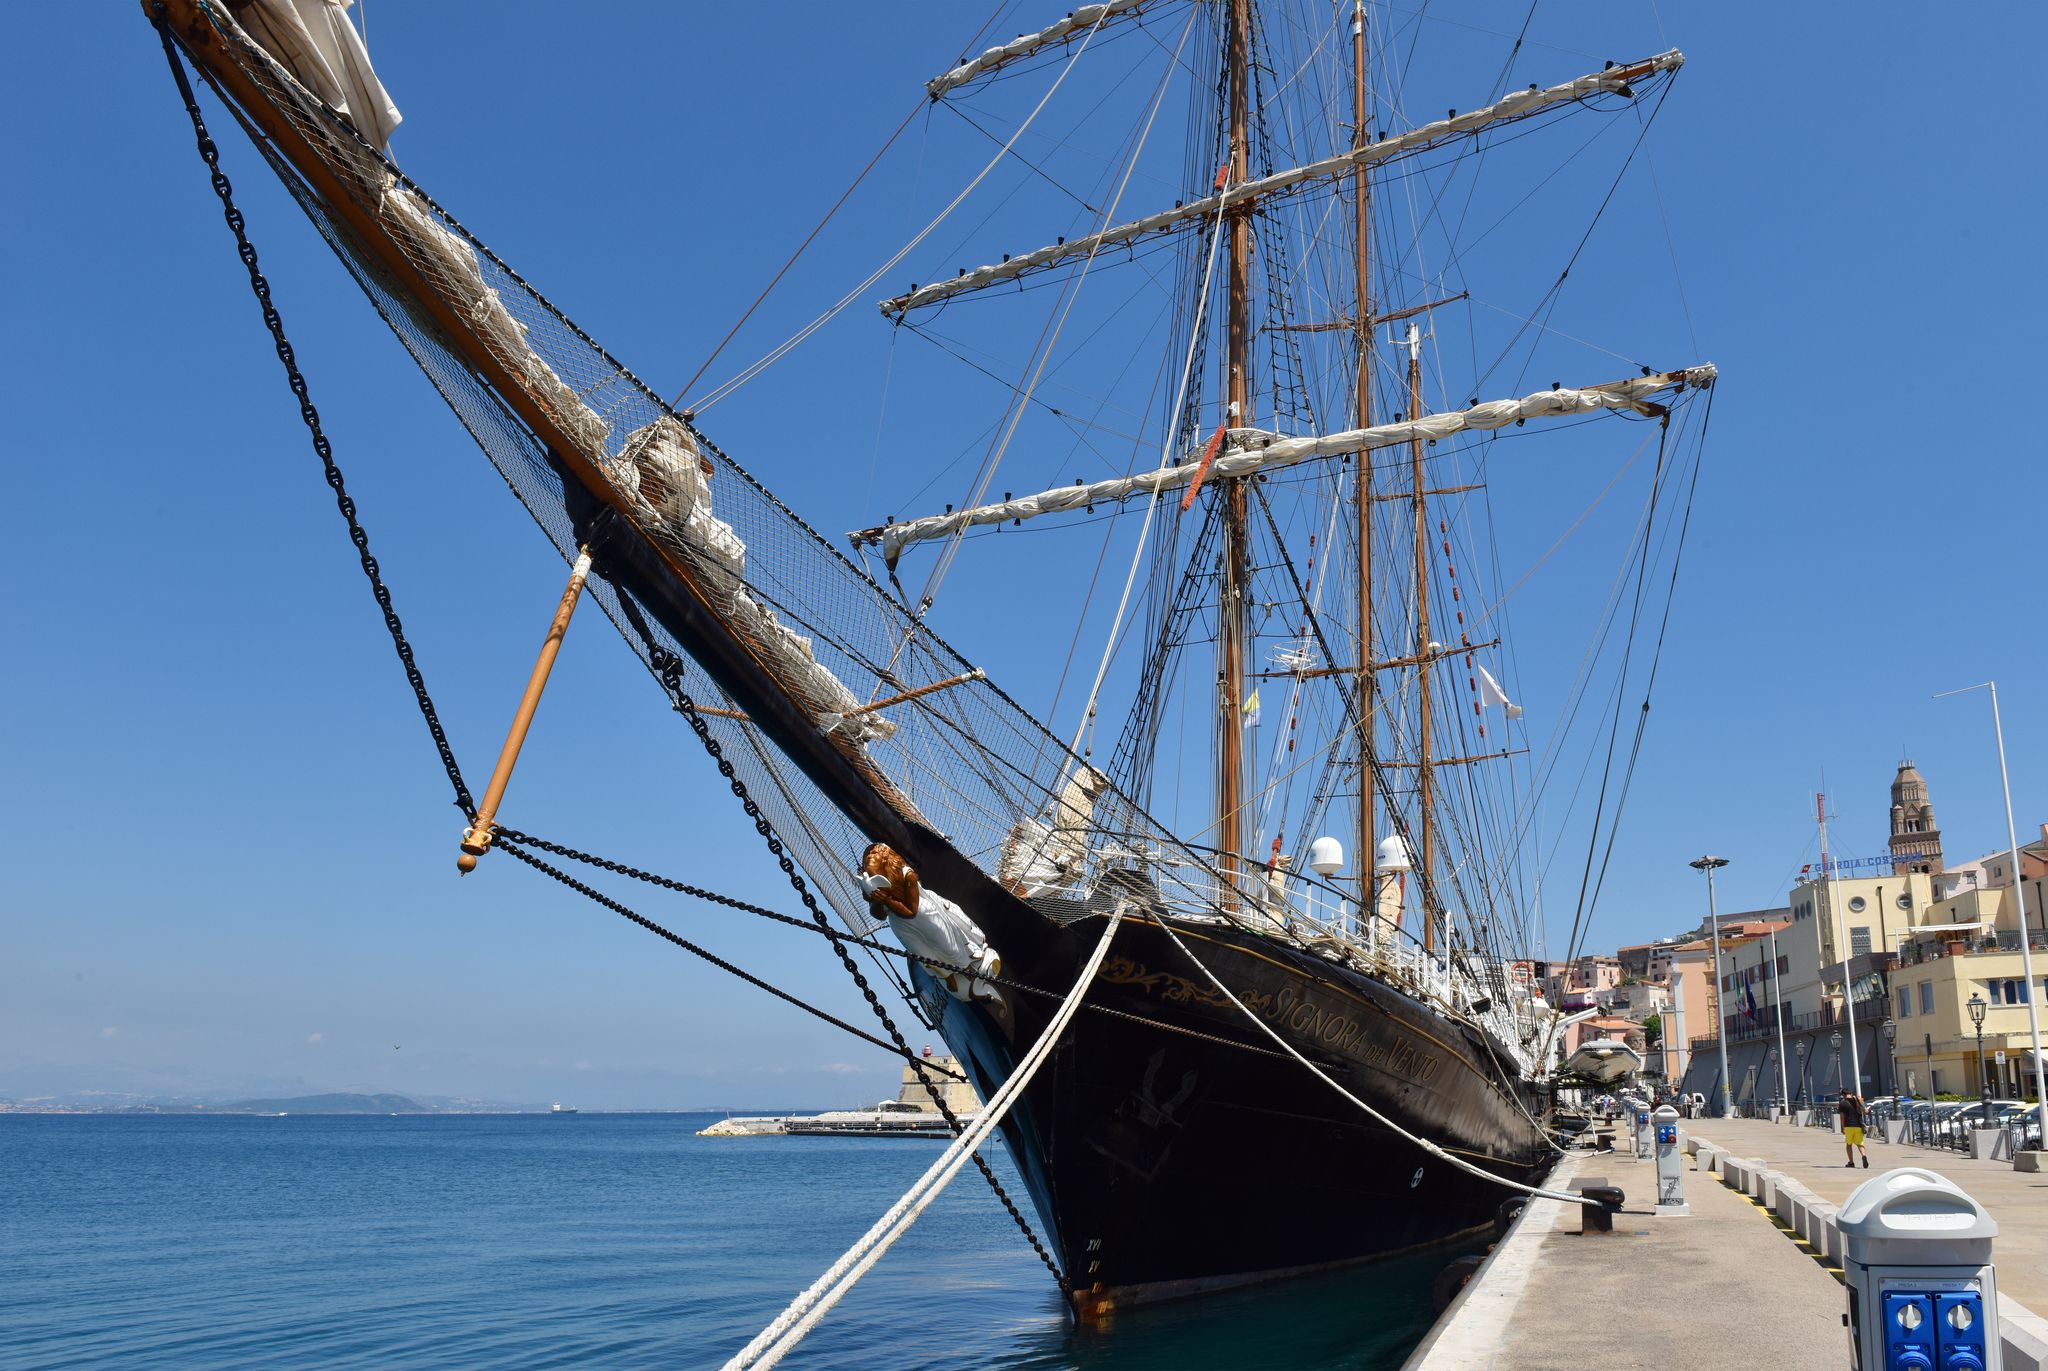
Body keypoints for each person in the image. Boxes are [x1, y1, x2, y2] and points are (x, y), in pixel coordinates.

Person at [1839, 1090, 1869, 1168]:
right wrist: (1861, 1102)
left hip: (1848, 1126)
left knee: (1849, 1144)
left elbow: (1842, 1117)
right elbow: (1865, 1111)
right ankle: (1864, 1156)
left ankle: (1851, 1163)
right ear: (1851, 1094)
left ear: (1843, 1095)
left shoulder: (1842, 1103)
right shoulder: (1858, 1101)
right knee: (1860, 1144)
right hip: (1859, 1125)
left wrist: (1842, 1127)